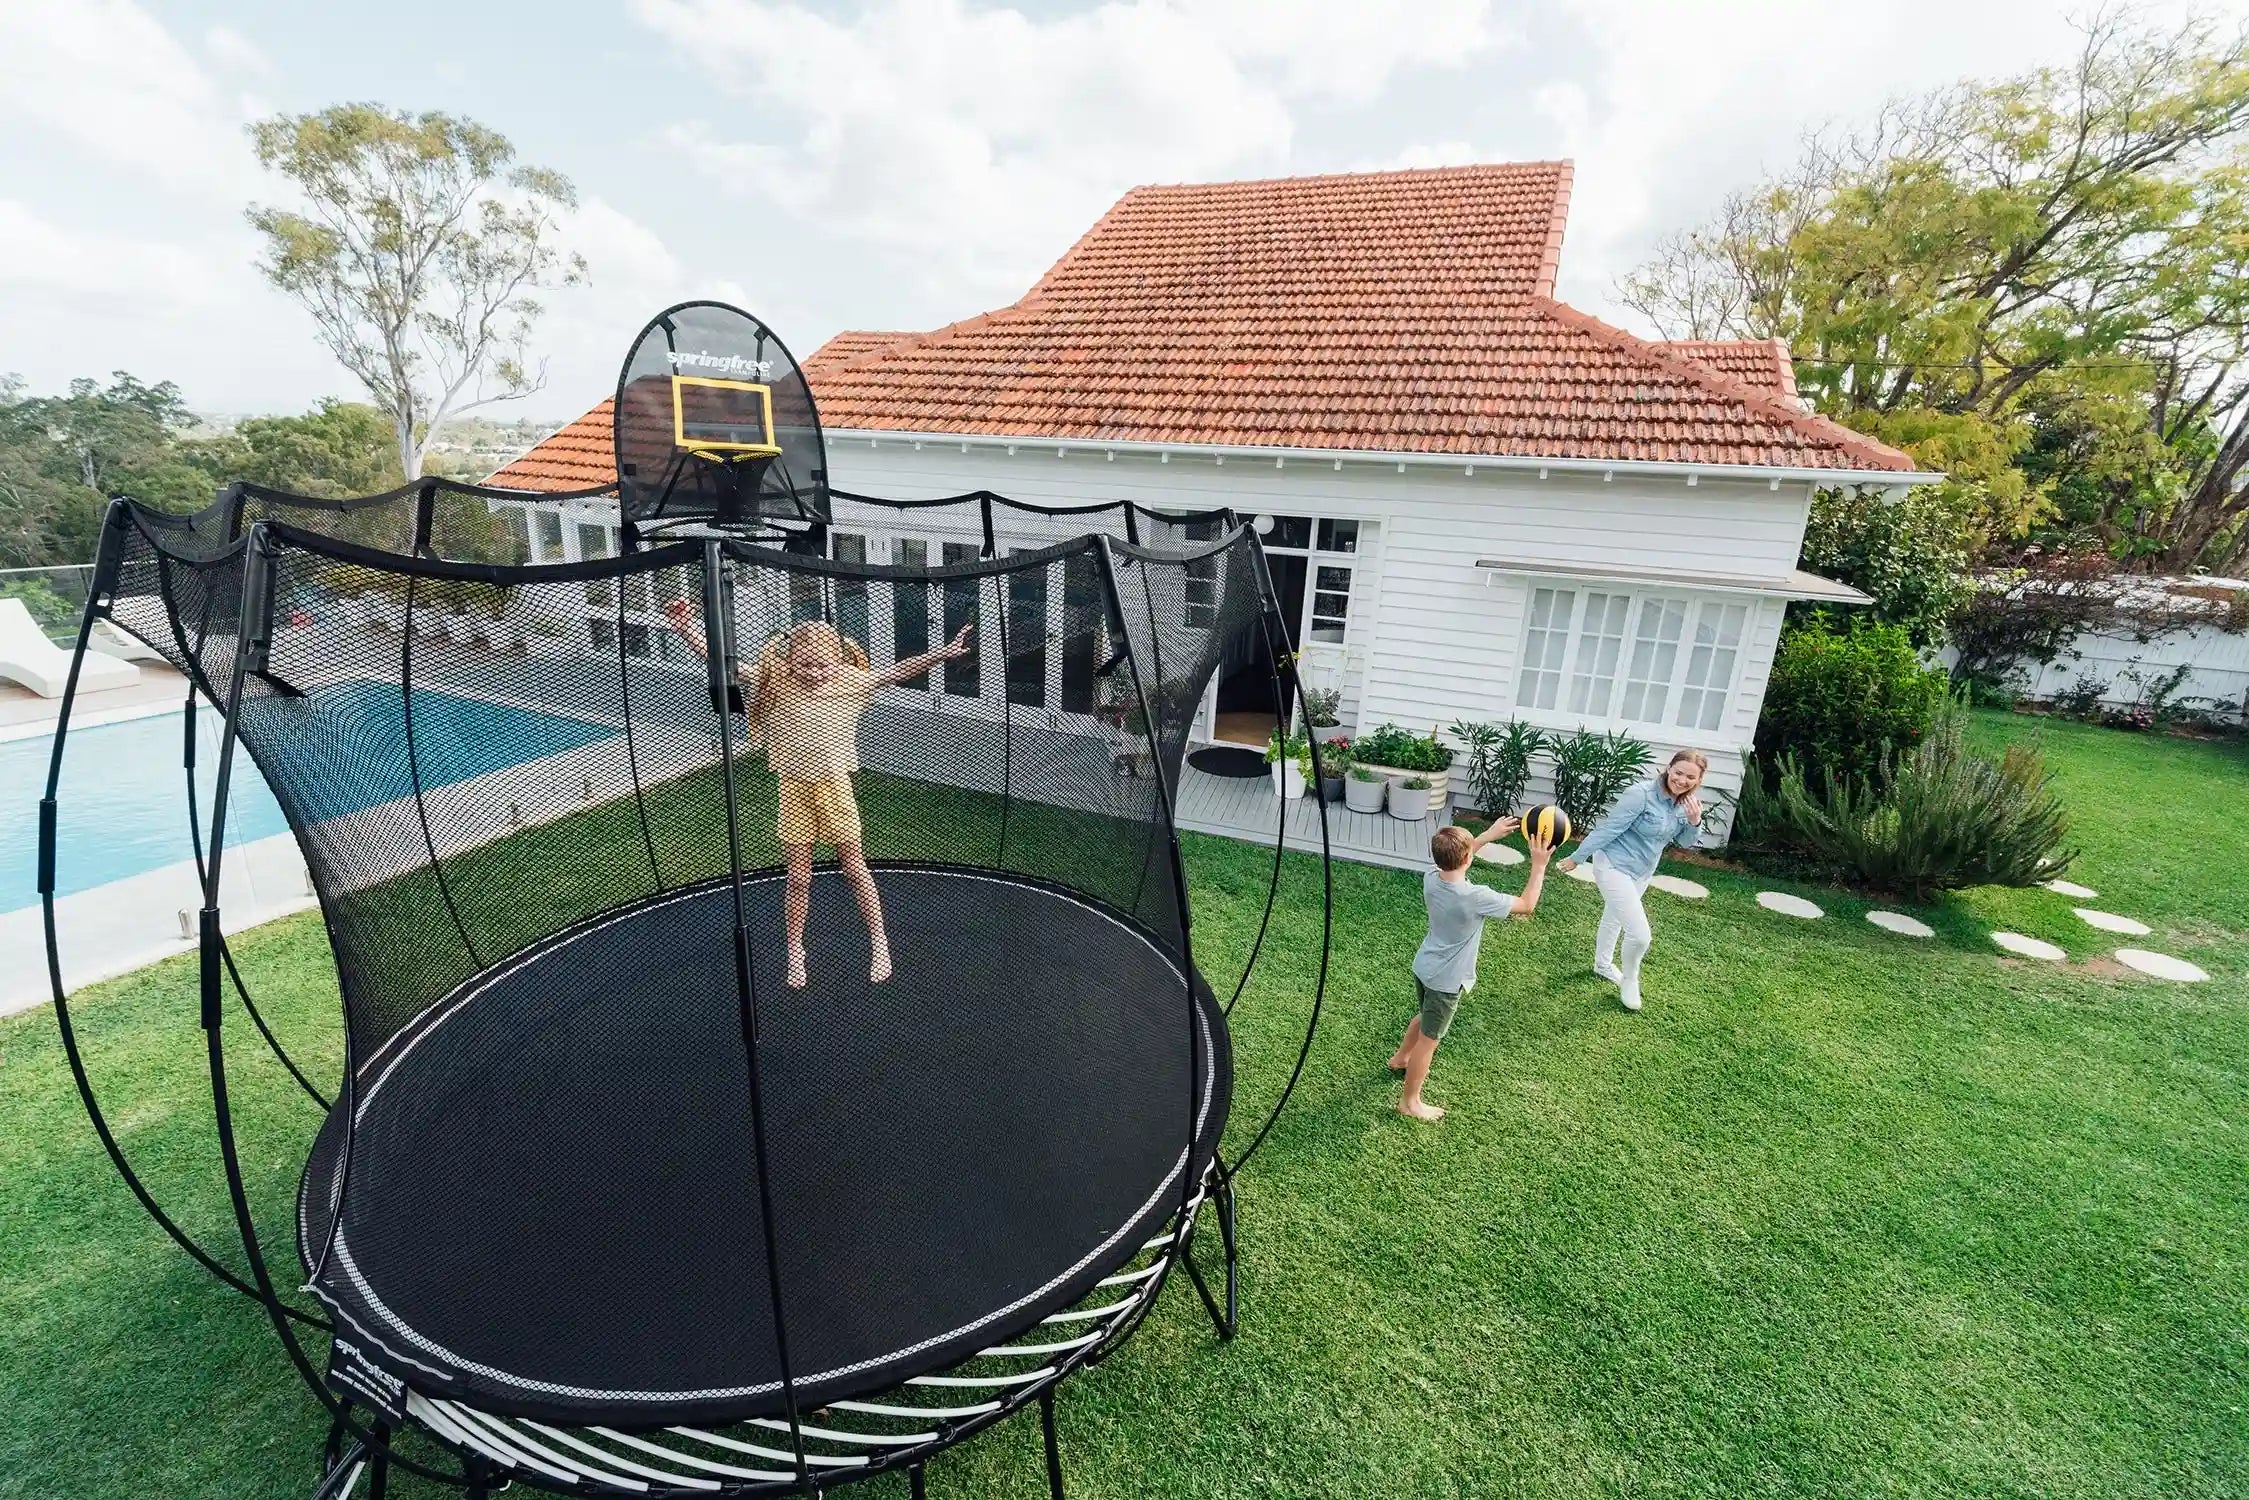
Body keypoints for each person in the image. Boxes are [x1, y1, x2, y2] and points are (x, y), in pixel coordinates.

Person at [664, 600, 973, 988]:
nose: (813, 672)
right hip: (793, 790)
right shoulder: (773, 680)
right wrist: (686, 627)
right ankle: (796, 951)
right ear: (790, 658)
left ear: (838, 659)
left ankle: (879, 942)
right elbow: (724, 664)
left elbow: (895, 673)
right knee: (798, 878)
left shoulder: (849, 680)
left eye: (821, 664)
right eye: (805, 663)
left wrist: (943, 653)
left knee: (854, 867)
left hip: (835, 787)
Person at [1389, 815, 1553, 1122]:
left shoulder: (1431, 878)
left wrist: (1487, 835)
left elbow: (1455, 860)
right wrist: (1539, 864)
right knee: (1430, 1040)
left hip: (1424, 966)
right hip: (1446, 980)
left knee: (1425, 1016)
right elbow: (1527, 904)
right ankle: (1409, 1102)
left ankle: (1400, 1059)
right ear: (1467, 858)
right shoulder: (1476, 897)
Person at [1561, 748, 1709, 1013]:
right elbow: (1610, 829)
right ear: (1668, 768)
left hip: (1642, 871)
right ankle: (1630, 980)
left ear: (1698, 780)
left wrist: (1695, 820)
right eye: (1678, 773)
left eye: (1690, 777)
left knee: (1615, 918)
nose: (1682, 780)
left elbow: (1685, 842)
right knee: (1640, 935)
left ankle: (1602, 965)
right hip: (1613, 864)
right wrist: (1577, 857)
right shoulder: (1640, 795)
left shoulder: (1688, 805)